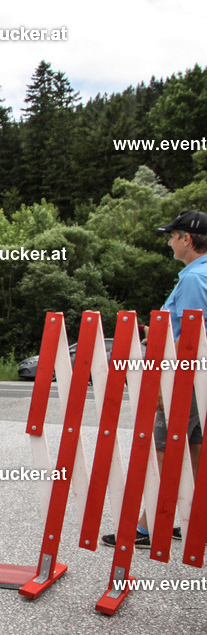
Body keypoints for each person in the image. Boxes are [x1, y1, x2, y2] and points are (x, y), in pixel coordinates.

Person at [103, 210, 207, 548]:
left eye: (172, 236)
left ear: (187, 239)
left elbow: (192, 334)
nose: (169, 242)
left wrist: (168, 383)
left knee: (164, 448)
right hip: (200, 376)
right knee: (194, 447)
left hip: (187, 375)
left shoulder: (193, 279)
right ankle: (196, 520)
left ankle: (147, 528)